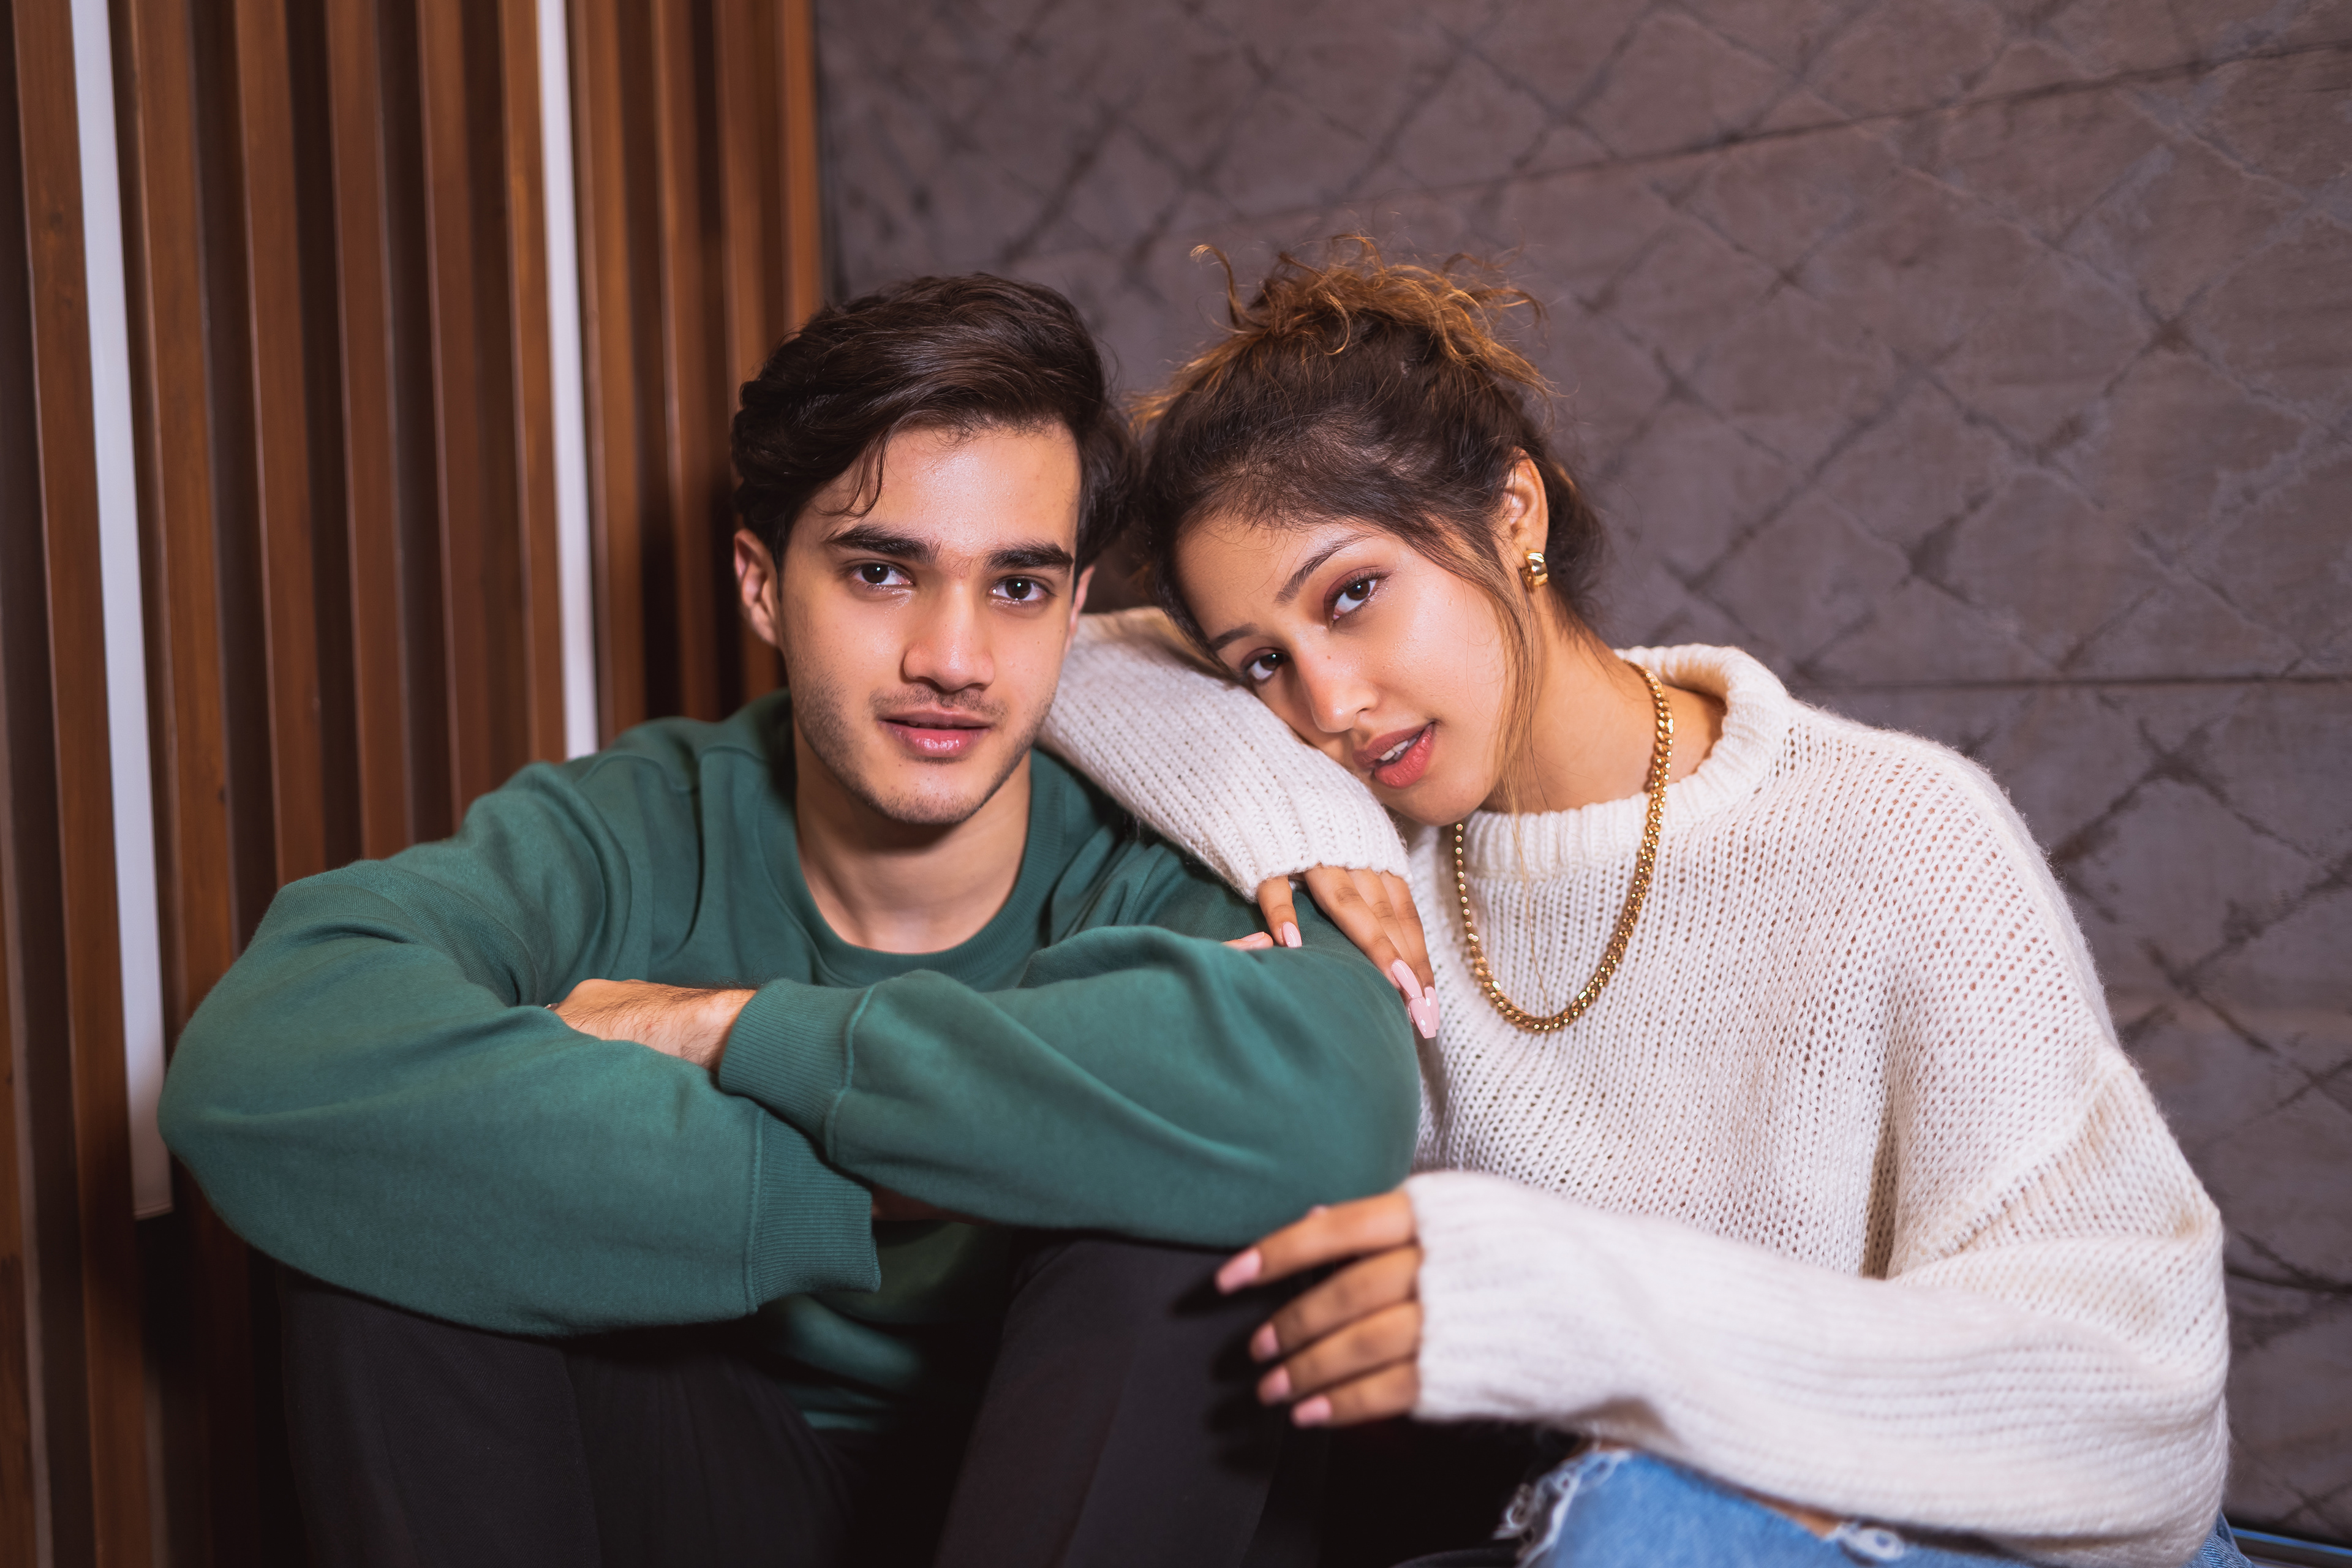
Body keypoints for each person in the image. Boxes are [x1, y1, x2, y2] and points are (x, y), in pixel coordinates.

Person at [159, 274, 1422, 1568]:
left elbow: (1336, 1104)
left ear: (1076, 604)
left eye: (1017, 587)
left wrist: (729, 1031)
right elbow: (261, 1067)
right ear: (763, 586)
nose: (952, 657)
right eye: (882, 572)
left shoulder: (1180, 838)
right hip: (716, 1477)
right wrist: (882, 1179)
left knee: (1187, 1226)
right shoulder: (635, 829)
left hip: (1077, 1486)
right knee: (390, 1219)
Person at [1039, 243, 2244, 1568]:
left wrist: (1601, 1311)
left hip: (1976, 1544)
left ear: (1514, 512)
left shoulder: (1896, 832)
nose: (1328, 704)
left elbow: (2146, 1420)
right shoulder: (1373, 864)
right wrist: (1301, 824)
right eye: (1262, 664)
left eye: (1356, 594)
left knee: (1632, 1522)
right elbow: (1046, 651)